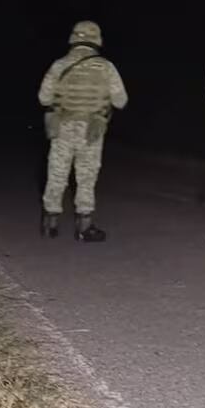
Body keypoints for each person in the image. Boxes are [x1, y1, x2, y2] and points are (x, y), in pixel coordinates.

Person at [38, 20, 128, 242]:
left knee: (57, 173)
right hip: (91, 130)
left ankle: (50, 222)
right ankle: (84, 227)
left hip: (62, 127)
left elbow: (43, 98)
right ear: (96, 39)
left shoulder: (59, 65)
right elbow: (121, 101)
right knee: (86, 177)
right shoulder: (106, 67)